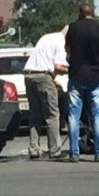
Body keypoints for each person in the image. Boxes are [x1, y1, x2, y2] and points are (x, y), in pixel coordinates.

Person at [65, 3, 99, 163]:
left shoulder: (73, 28)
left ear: (80, 14)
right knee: (97, 115)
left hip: (77, 76)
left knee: (73, 116)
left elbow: (68, 50)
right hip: (97, 77)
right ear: (94, 13)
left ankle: (73, 153)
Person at [23, 26, 69, 160]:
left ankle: (33, 148)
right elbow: (58, 66)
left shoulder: (46, 37)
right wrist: (72, 69)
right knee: (52, 115)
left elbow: (44, 60)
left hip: (29, 76)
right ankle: (54, 150)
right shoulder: (60, 42)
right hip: (44, 77)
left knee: (35, 115)